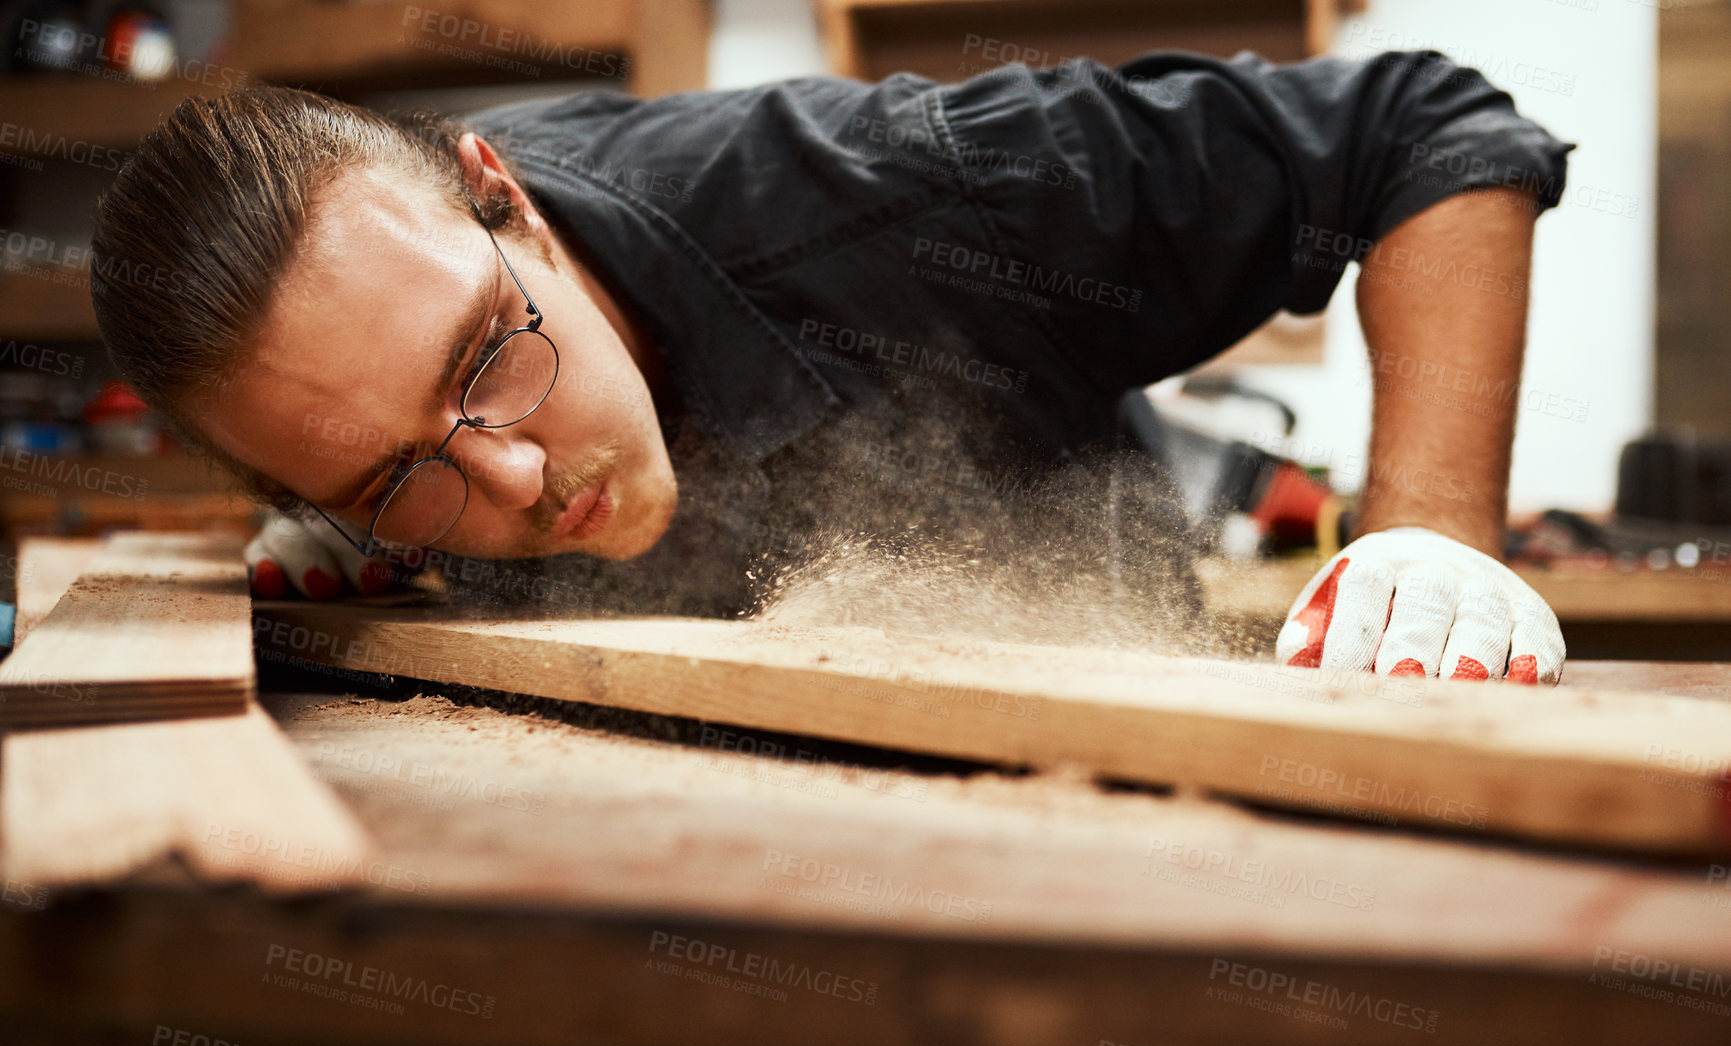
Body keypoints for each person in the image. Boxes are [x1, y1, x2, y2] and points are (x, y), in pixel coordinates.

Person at [89, 48, 1571, 681]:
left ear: (506, 196)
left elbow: (1417, 128)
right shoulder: (369, 387)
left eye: (489, 358)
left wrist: (1432, 521)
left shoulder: (916, 194)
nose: (521, 480)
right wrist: (364, 522)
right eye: (401, 472)